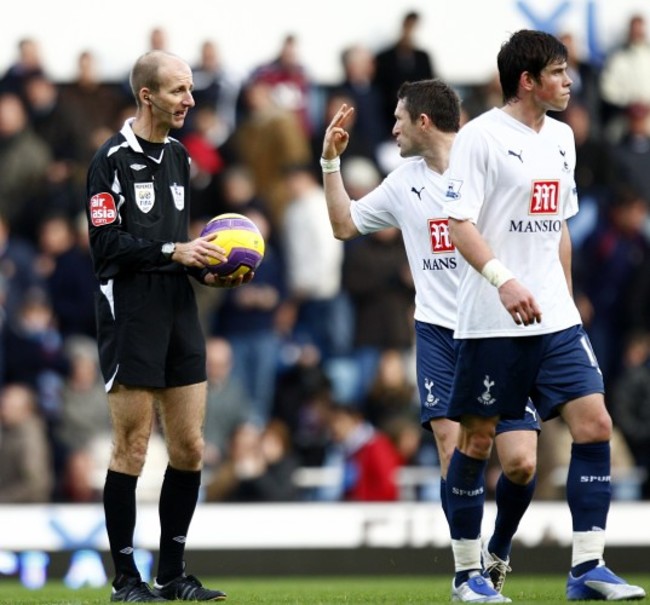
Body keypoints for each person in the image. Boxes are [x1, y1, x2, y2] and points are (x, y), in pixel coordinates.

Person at [444, 29, 646, 602]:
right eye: (558, 72)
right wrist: (504, 282)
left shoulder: (563, 137)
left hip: (555, 317)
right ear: (527, 80)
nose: (569, 81)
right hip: (491, 317)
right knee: (483, 445)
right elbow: (460, 225)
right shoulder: (479, 138)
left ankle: (586, 567)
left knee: (596, 424)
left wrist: (567, 296)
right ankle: (467, 575)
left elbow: (557, 226)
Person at [321, 79, 539, 601]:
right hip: (440, 331)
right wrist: (329, 164)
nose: (390, 127)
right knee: (453, 446)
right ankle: (467, 573)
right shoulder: (403, 183)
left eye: (398, 118)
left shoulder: (491, 160)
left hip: (497, 326)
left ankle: (498, 550)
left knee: (521, 462)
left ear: (422, 121)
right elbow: (344, 225)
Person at [85, 49, 253, 602]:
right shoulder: (109, 160)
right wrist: (174, 249)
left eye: (190, 89)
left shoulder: (182, 157)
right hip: (130, 311)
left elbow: (181, 249)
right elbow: (106, 245)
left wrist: (211, 265)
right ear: (147, 95)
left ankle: (172, 574)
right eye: (179, 90)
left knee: (190, 447)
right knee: (132, 448)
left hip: (178, 308)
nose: (190, 100)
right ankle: (126, 580)